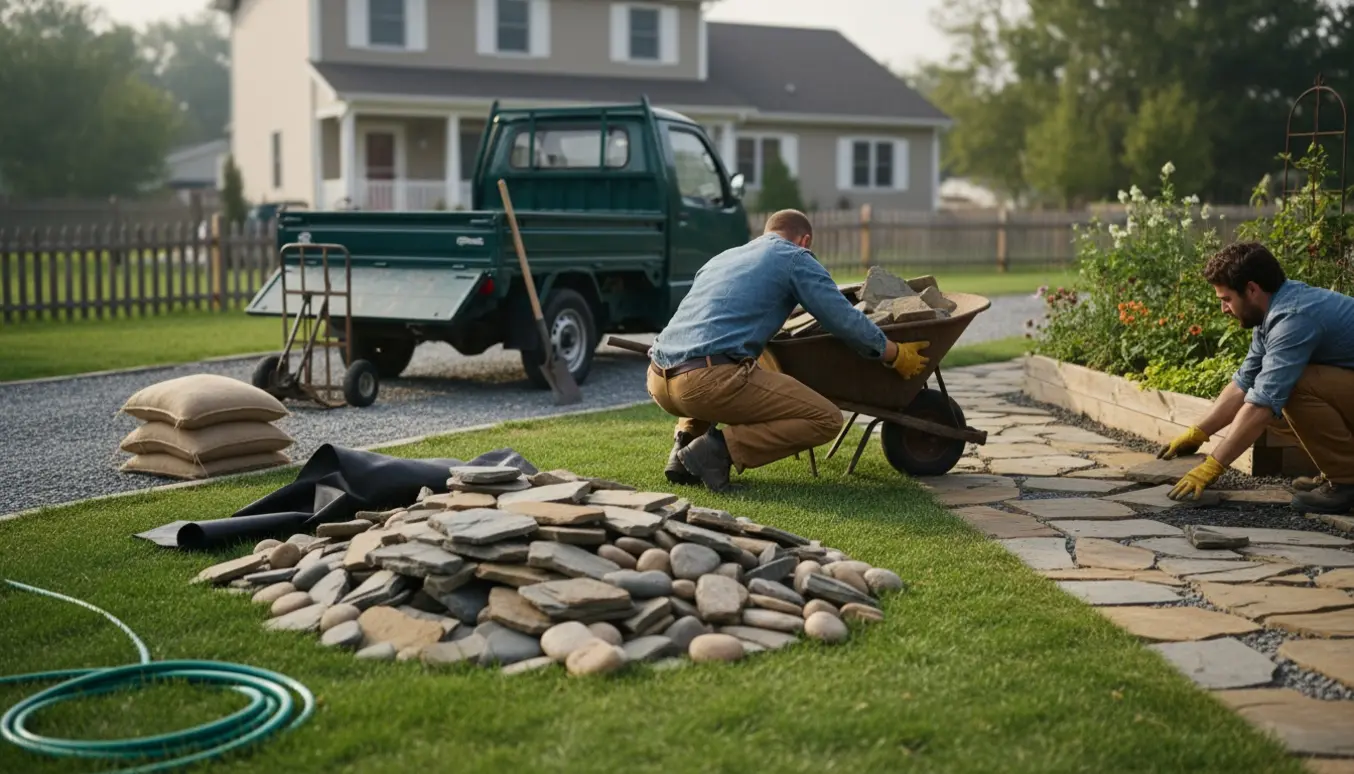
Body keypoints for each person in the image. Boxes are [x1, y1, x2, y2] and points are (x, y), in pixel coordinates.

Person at [645, 209, 930, 491]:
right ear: (805, 240)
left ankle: (682, 450)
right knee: (827, 419)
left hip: (658, 380)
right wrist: (892, 352)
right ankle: (717, 451)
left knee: (708, 361)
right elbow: (841, 317)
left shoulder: (724, 258)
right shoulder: (794, 257)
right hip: (706, 383)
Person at [1160, 241, 1354, 513]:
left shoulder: (1292, 318)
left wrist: (1213, 466)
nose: (1223, 309)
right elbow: (1245, 382)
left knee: (1291, 388)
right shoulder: (1273, 312)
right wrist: (1199, 432)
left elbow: (1261, 403)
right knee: (1273, 398)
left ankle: (1347, 484)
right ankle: (1341, 470)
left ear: (1251, 289)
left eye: (1226, 299)